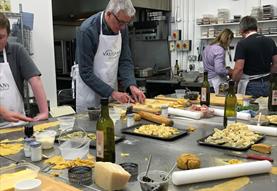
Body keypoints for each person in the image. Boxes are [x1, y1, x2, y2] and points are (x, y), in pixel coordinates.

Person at [74, 0, 145, 112]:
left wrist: (131, 85)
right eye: (120, 22)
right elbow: (86, 72)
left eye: (126, 23)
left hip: (111, 89)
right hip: (89, 93)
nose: (122, 27)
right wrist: (112, 93)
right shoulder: (87, 30)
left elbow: (125, 60)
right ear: (109, 14)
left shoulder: (123, 29)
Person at [0, 13, 48, 122]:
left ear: (8, 35)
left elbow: (35, 80)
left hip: (15, 123)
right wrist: (2, 112)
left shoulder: (17, 51)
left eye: (0, 37)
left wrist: (44, 112)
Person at [232, 16, 277, 98]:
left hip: (251, 85)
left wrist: (233, 82)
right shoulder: (270, 41)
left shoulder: (242, 44)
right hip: (268, 84)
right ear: (256, 27)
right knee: (265, 109)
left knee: (249, 110)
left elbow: (239, 69)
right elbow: (275, 64)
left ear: (242, 30)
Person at [203, 28, 234, 94]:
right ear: (228, 39)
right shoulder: (219, 49)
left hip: (209, 81)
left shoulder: (208, 47)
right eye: (230, 41)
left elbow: (212, 65)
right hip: (216, 83)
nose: (229, 44)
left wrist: (225, 68)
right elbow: (219, 70)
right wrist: (229, 72)